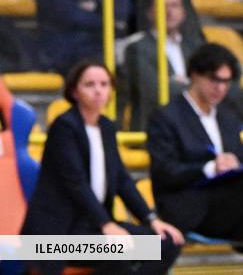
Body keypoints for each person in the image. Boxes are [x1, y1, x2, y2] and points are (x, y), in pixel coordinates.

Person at [21, 61, 183, 274]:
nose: (98, 90)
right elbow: (75, 182)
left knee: (168, 244)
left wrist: (151, 220)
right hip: (57, 235)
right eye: (90, 84)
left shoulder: (106, 127)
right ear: (74, 91)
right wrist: (106, 224)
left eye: (104, 84)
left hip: (93, 226)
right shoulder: (64, 127)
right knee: (120, 251)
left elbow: (123, 180)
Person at [147, 44, 243, 241]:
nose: (220, 88)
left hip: (225, 209)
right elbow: (165, 171)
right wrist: (209, 168)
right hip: (186, 207)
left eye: (226, 82)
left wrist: (236, 164)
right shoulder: (166, 116)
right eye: (214, 80)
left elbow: (239, 156)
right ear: (194, 75)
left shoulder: (228, 117)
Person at [122, 0, 200, 131]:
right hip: (155, 129)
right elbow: (154, 91)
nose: (169, 12)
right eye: (163, 6)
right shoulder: (137, 48)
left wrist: (178, 83)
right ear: (150, 13)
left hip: (193, 128)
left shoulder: (195, 47)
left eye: (174, 6)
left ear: (183, 12)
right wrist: (197, 86)